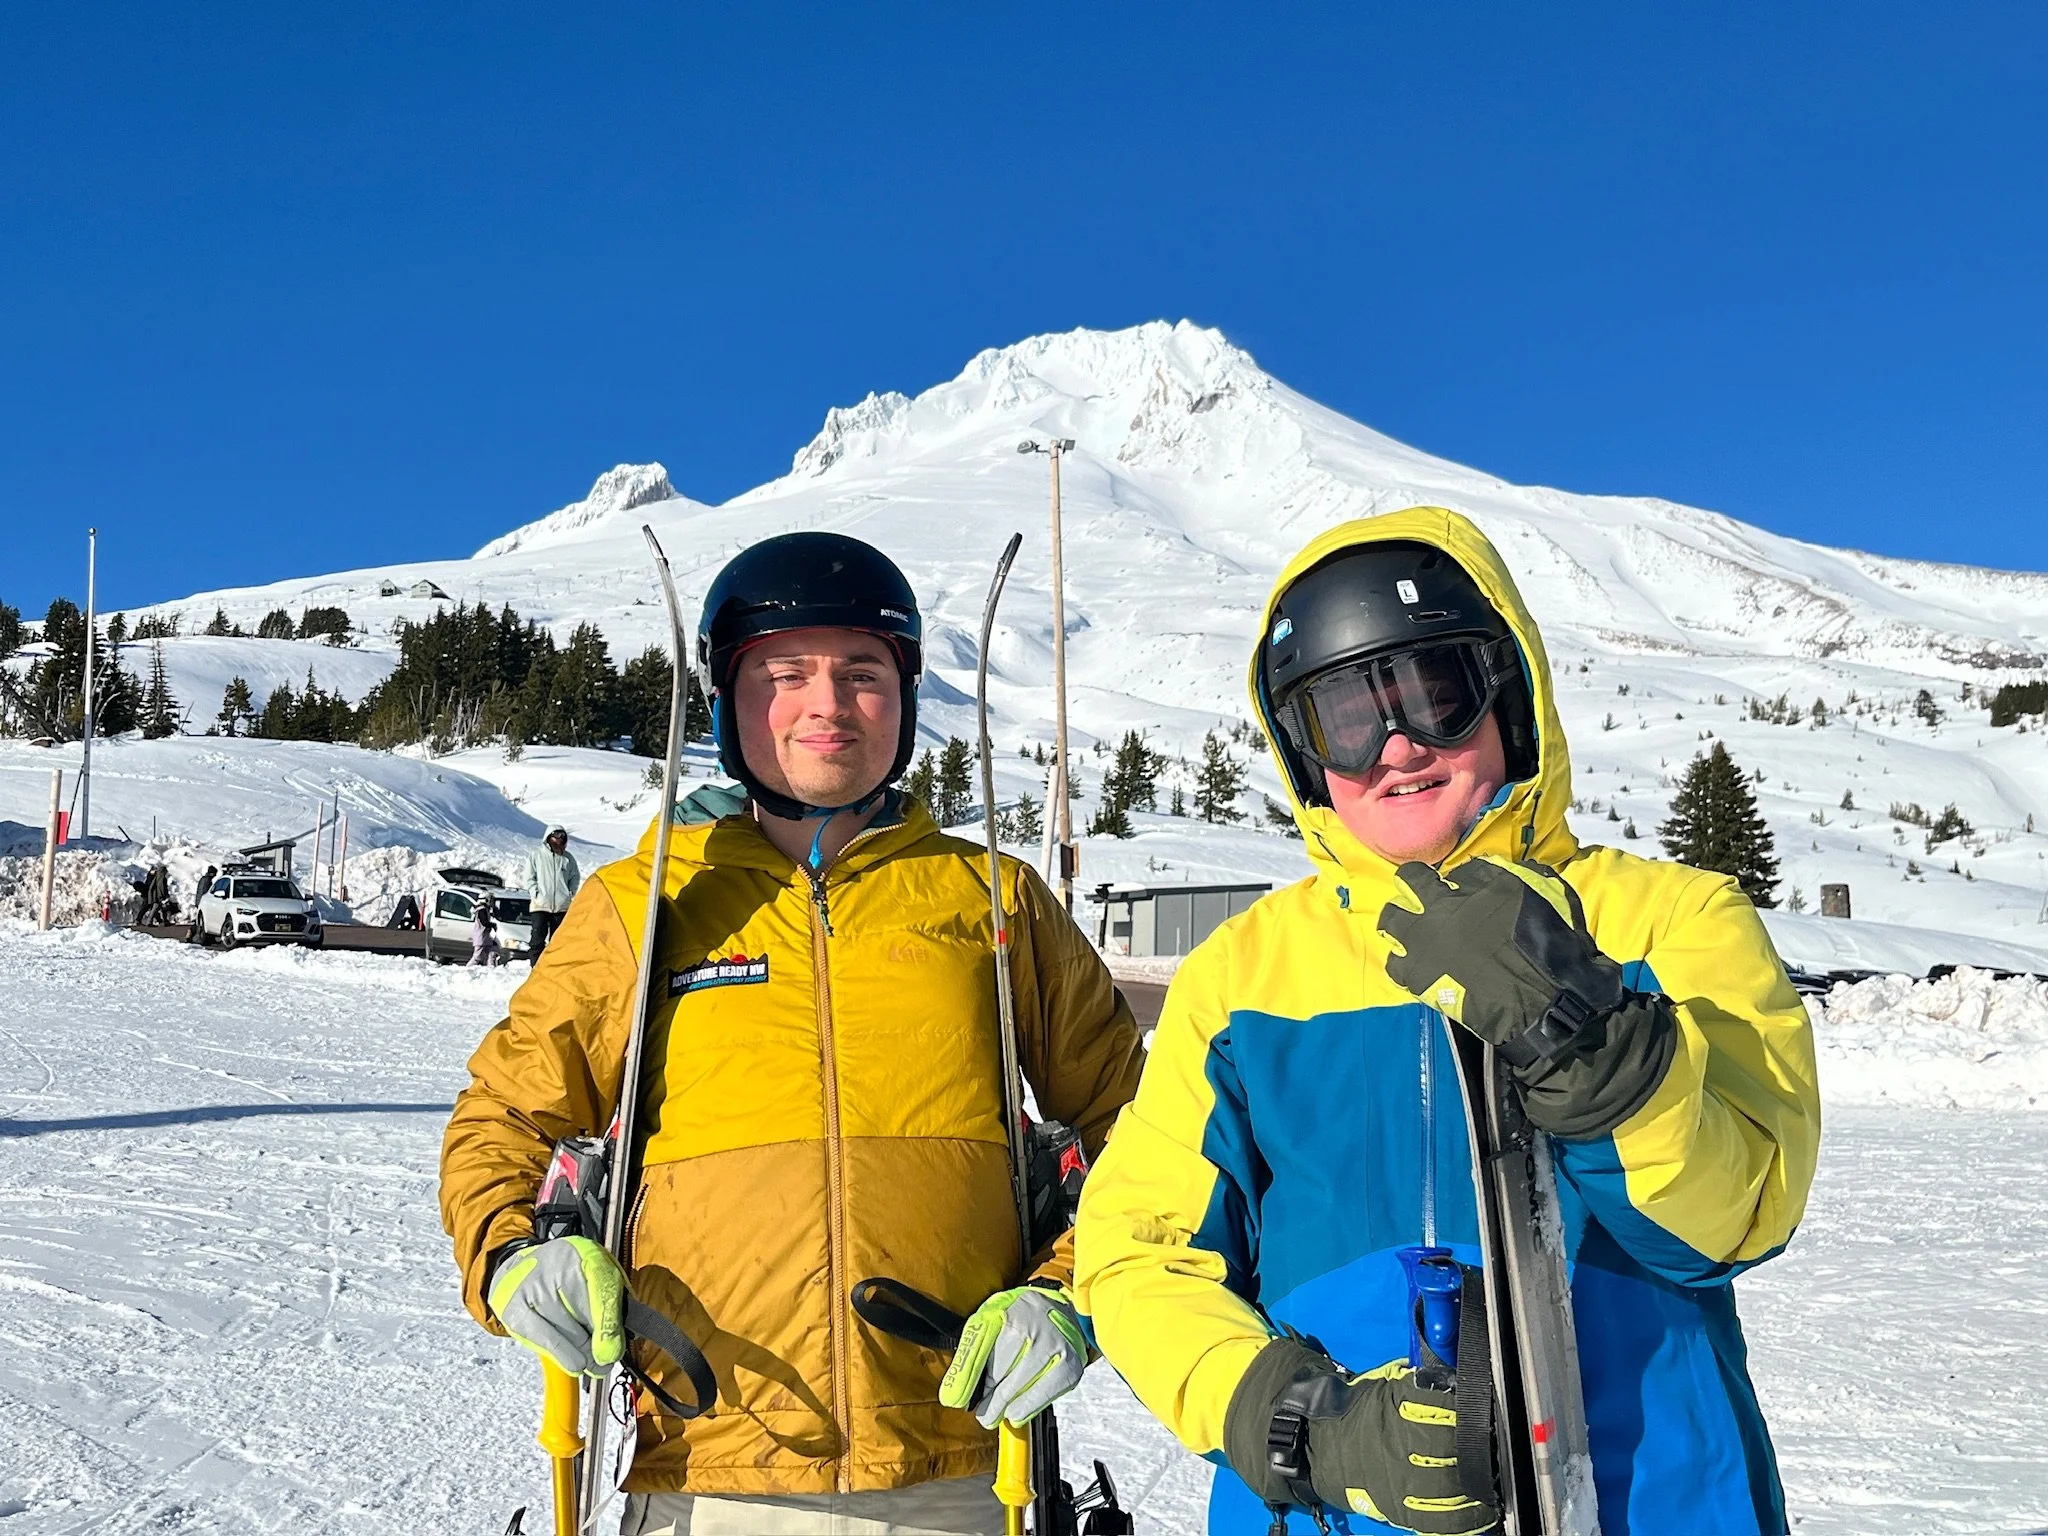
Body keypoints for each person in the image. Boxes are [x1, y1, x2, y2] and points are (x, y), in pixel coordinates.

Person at [1074, 508, 1820, 1536]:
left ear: (1505, 696)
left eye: (1433, 696)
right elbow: (1137, 1252)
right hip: (1336, 1509)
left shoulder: (1667, 921)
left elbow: (1740, 1218)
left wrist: (1606, 1062)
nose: (1394, 747)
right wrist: (1297, 1422)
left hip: (1645, 1500)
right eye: (1343, 717)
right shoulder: (1240, 980)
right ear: (1303, 755)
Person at [441, 531, 1145, 1536]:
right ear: (727, 703)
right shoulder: (643, 903)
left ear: (904, 701)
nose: (826, 705)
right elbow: (501, 1119)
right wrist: (514, 1256)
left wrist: (1068, 1294)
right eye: (784, 674)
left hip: (958, 1465)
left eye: (863, 672)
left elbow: (1143, 1134)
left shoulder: (991, 899)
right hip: (701, 1465)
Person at [524, 825, 579, 959]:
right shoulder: (536, 855)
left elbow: (575, 877)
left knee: (558, 942)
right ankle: (535, 969)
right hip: (540, 905)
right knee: (537, 940)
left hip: (561, 906)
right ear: (549, 837)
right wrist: (535, 893)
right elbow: (529, 877)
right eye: (557, 836)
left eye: (563, 837)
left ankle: (553, 971)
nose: (560, 840)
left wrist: (570, 893)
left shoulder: (568, 858)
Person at [469, 898, 500, 967]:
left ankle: (490, 966)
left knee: (492, 950)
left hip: (485, 937)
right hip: (480, 936)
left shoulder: (485, 910)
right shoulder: (482, 910)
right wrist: (492, 925)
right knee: (477, 956)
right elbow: (484, 922)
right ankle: (468, 968)